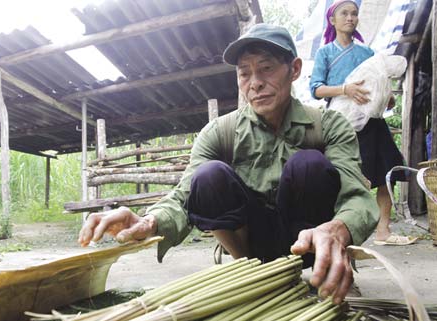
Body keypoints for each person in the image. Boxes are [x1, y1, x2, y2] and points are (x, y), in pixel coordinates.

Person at [79, 23, 379, 304]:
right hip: (251, 244)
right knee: (208, 177)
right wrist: (151, 220)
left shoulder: (328, 125)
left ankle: (323, 269)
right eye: (245, 73)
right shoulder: (220, 132)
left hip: (308, 243)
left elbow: (357, 196)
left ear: (295, 69)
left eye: (267, 68)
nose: (256, 83)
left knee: (309, 165)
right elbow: (184, 196)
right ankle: (247, 270)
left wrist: (338, 229)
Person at [309, 0, 409, 245]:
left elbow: (379, 84)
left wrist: (386, 101)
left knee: (387, 170)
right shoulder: (326, 53)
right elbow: (316, 89)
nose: (350, 18)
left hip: (372, 122)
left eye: (354, 13)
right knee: (347, 176)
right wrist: (345, 89)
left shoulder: (367, 53)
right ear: (332, 20)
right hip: (342, 123)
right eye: (344, 13)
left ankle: (383, 231)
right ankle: (341, 232)